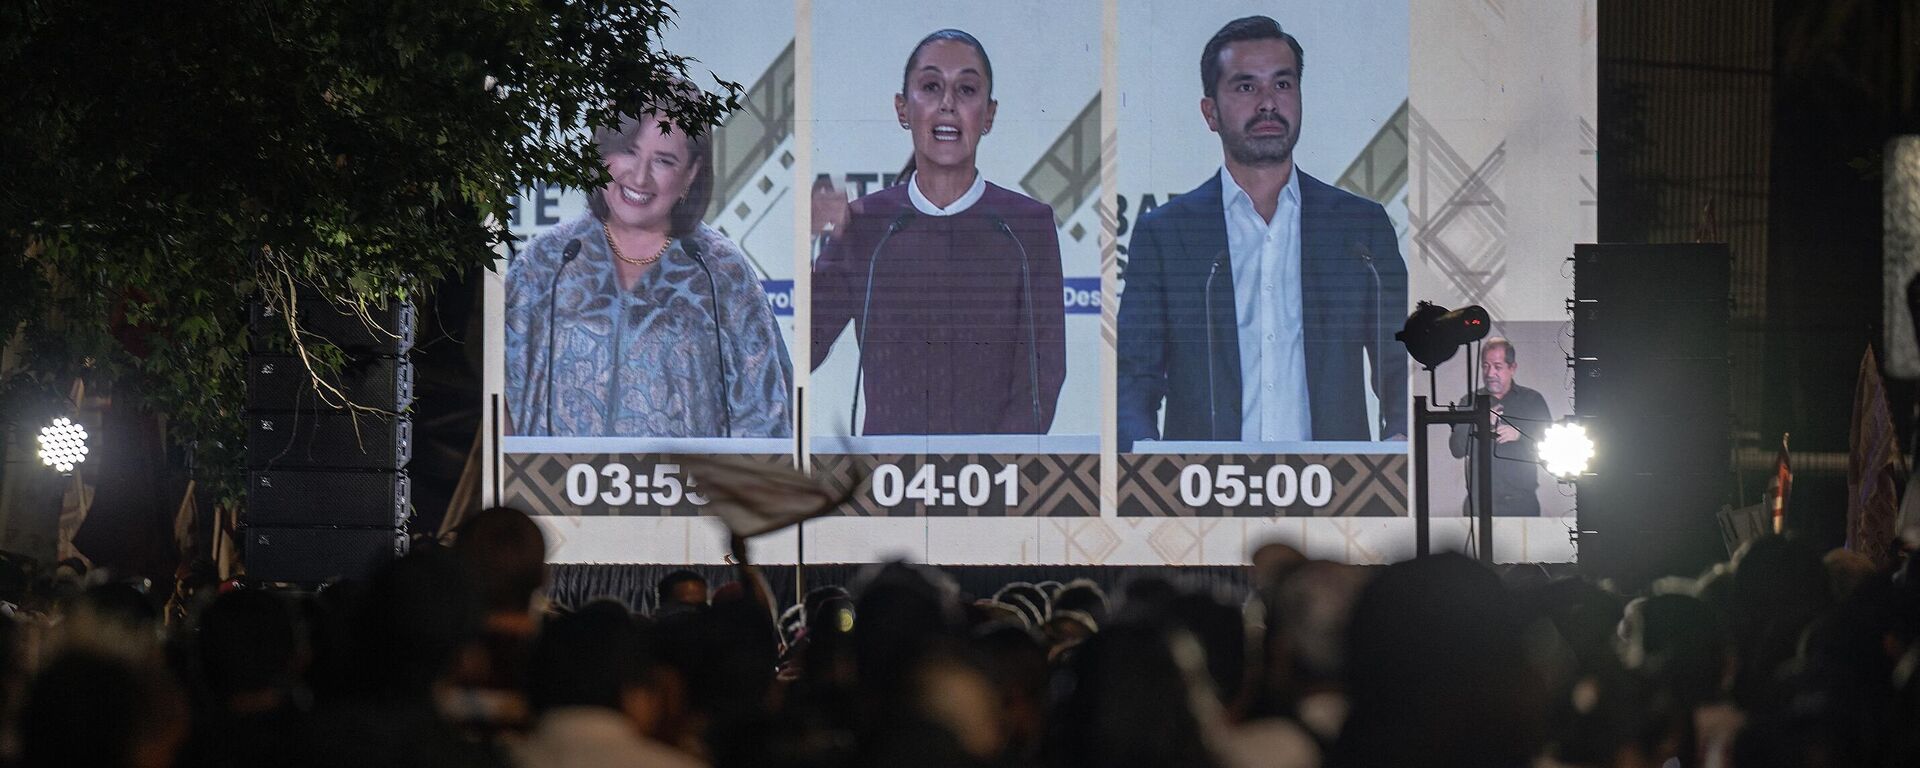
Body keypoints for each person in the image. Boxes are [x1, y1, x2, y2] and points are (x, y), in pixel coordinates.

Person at [1115, 16, 1408, 451]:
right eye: (1246, 87)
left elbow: (1400, 360)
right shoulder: (1167, 234)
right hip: (1203, 495)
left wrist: (1400, 441)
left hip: (1339, 492)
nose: (1268, 103)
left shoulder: (1358, 228)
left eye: (1283, 85)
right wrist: (1145, 459)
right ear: (1210, 112)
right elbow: (1134, 378)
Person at [811, 29, 1068, 435]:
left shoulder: (1025, 227)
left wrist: (994, 469)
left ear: (989, 114)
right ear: (902, 108)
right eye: (930, 87)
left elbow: (1042, 378)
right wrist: (809, 247)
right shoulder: (866, 225)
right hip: (886, 479)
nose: (947, 104)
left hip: (992, 482)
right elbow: (798, 353)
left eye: (966, 90)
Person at [505, 100, 793, 438]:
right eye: (628, 151)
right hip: (553, 487)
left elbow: (766, 417)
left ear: (691, 173)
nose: (639, 176)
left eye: (663, 160)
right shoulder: (547, 261)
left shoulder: (721, 271)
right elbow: (498, 400)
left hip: (691, 487)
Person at [1447, 338, 1551, 517]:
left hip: (1521, 504)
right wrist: (1478, 420)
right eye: (1485, 366)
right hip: (1478, 505)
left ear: (1512, 368)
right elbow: (1457, 449)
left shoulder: (1532, 401)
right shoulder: (1469, 401)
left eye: (1497, 366)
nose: (1490, 373)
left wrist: (1520, 435)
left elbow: (1551, 448)